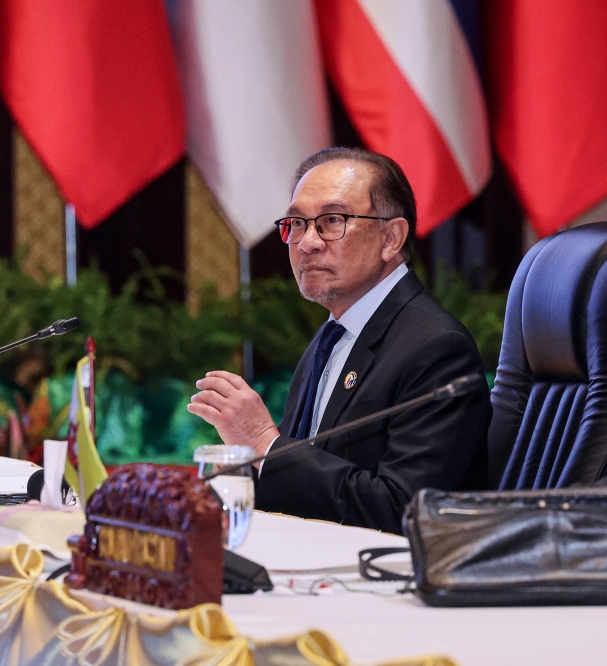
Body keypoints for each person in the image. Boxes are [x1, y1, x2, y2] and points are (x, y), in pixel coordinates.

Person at [187, 147, 491, 534]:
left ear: (391, 237)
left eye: (332, 221)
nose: (307, 242)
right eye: (297, 223)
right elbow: (310, 479)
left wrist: (265, 443)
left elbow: (404, 509)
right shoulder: (333, 336)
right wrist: (248, 472)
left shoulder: (436, 347)